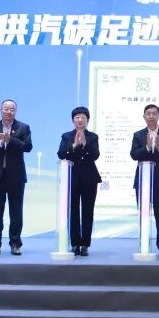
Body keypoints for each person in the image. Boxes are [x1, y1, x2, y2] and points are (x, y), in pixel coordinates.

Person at [0, 99, 33, 256]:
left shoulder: (23, 127)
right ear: (0, 110)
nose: (9, 111)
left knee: (16, 212)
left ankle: (15, 244)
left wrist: (11, 140)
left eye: (12, 109)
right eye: (6, 108)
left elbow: (28, 147)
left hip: (16, 177)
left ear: (15, 111)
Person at [130, 104, 159, 258]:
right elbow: (134, 155)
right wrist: (147, 147)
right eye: (148, 114)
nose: (151, 116)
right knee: (143, 215)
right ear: (144, 116)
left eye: (154, 113)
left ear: (158, 116)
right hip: (143, 180)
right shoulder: (138, 135)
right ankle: (143, 244)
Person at [58, 106, 102, 257]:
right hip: (72, 177)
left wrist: (84, 145)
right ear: (73, 120)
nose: (80, 120)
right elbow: (61, 154)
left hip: (90, 178)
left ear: (88, 120)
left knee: (88, 211)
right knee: (73, 211)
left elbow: (95, 155)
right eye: (77, 117)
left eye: (83, 117)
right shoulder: (66, 136)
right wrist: (74, 146)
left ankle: (85, 245)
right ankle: (75, 243)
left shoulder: (93, 137)